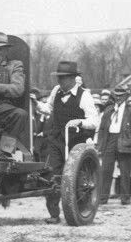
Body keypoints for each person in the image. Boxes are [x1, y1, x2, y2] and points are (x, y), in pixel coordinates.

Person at [42, 61, 99, 223]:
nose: (59, 81)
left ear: (74, 78)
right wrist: (36, 104)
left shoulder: (85, 95)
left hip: (76, 142)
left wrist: (80, 122)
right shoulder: (56, 91)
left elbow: (94, 120)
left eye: (63, 78)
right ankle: (54, 214)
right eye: (58, 78)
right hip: (56, 139)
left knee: (75, 179)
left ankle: (81, 211)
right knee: (51, 174)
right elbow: (48, 108)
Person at [95, 85, 131, 205]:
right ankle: (103, 198)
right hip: (110, 140)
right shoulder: (109, 109)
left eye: (121, 96)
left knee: (125, 172)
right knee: (106, 171)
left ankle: (125, 199)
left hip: (125, 140)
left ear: (125, 97)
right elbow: (102, 129)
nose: (118, 98)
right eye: (116, 96)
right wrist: (100, 145)